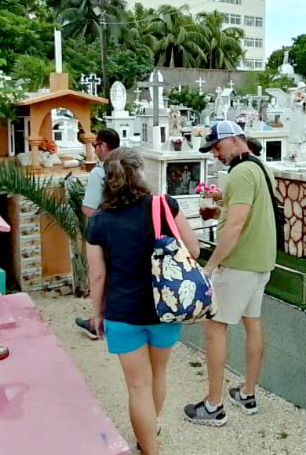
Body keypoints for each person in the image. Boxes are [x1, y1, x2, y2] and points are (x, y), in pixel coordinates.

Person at [85, 148, 201, 455]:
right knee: (158, 374)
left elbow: (97, 277)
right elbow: (195, 249)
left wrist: (96, 314)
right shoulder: (164, 206)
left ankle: (150, 447)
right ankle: (151, 427)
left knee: (137, 385)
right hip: (165, 307)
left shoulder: (98, 223)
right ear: (139, 172)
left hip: (123, 313)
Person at [185, 120, 276, 426]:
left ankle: (213, 406)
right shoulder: (261, 168)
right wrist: (220, 207)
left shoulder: (239, 173)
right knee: (253, 324)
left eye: (217, 147)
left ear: (236, 141)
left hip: (238, 264)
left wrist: (210, 267)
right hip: (262, 261)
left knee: (214, 328)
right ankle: (247, 394)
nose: (215, 154)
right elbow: (248, 207)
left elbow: (236, 226)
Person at [75, 128, 121, 339]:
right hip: (130, 230)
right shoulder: (128, 168)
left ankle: (97, 321)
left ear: (103, 146)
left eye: (95, 145)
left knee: (100, 276)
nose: (94, 149)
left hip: (104, 234)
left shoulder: (99, 172)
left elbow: (89, 209)